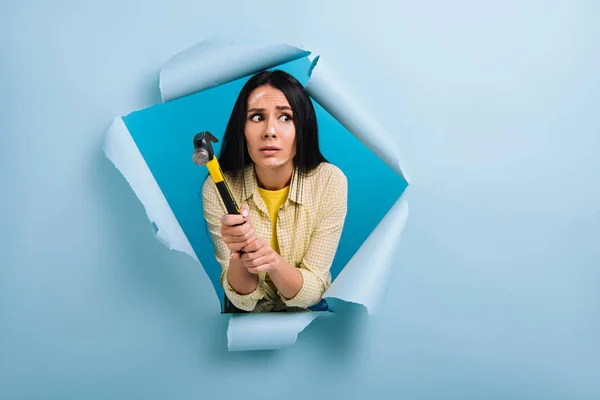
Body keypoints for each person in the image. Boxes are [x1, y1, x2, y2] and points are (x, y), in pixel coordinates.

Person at [202, 69, 348, 313]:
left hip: (307, 312)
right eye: (257, 117)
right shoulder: (217, 188)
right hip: (245, 316)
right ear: (242, 129)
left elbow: (313, 291)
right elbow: (241, 300)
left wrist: (274, 264)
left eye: (285, 118)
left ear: (302, 127)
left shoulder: (330, 182)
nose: (270, 131)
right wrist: (239, 252)